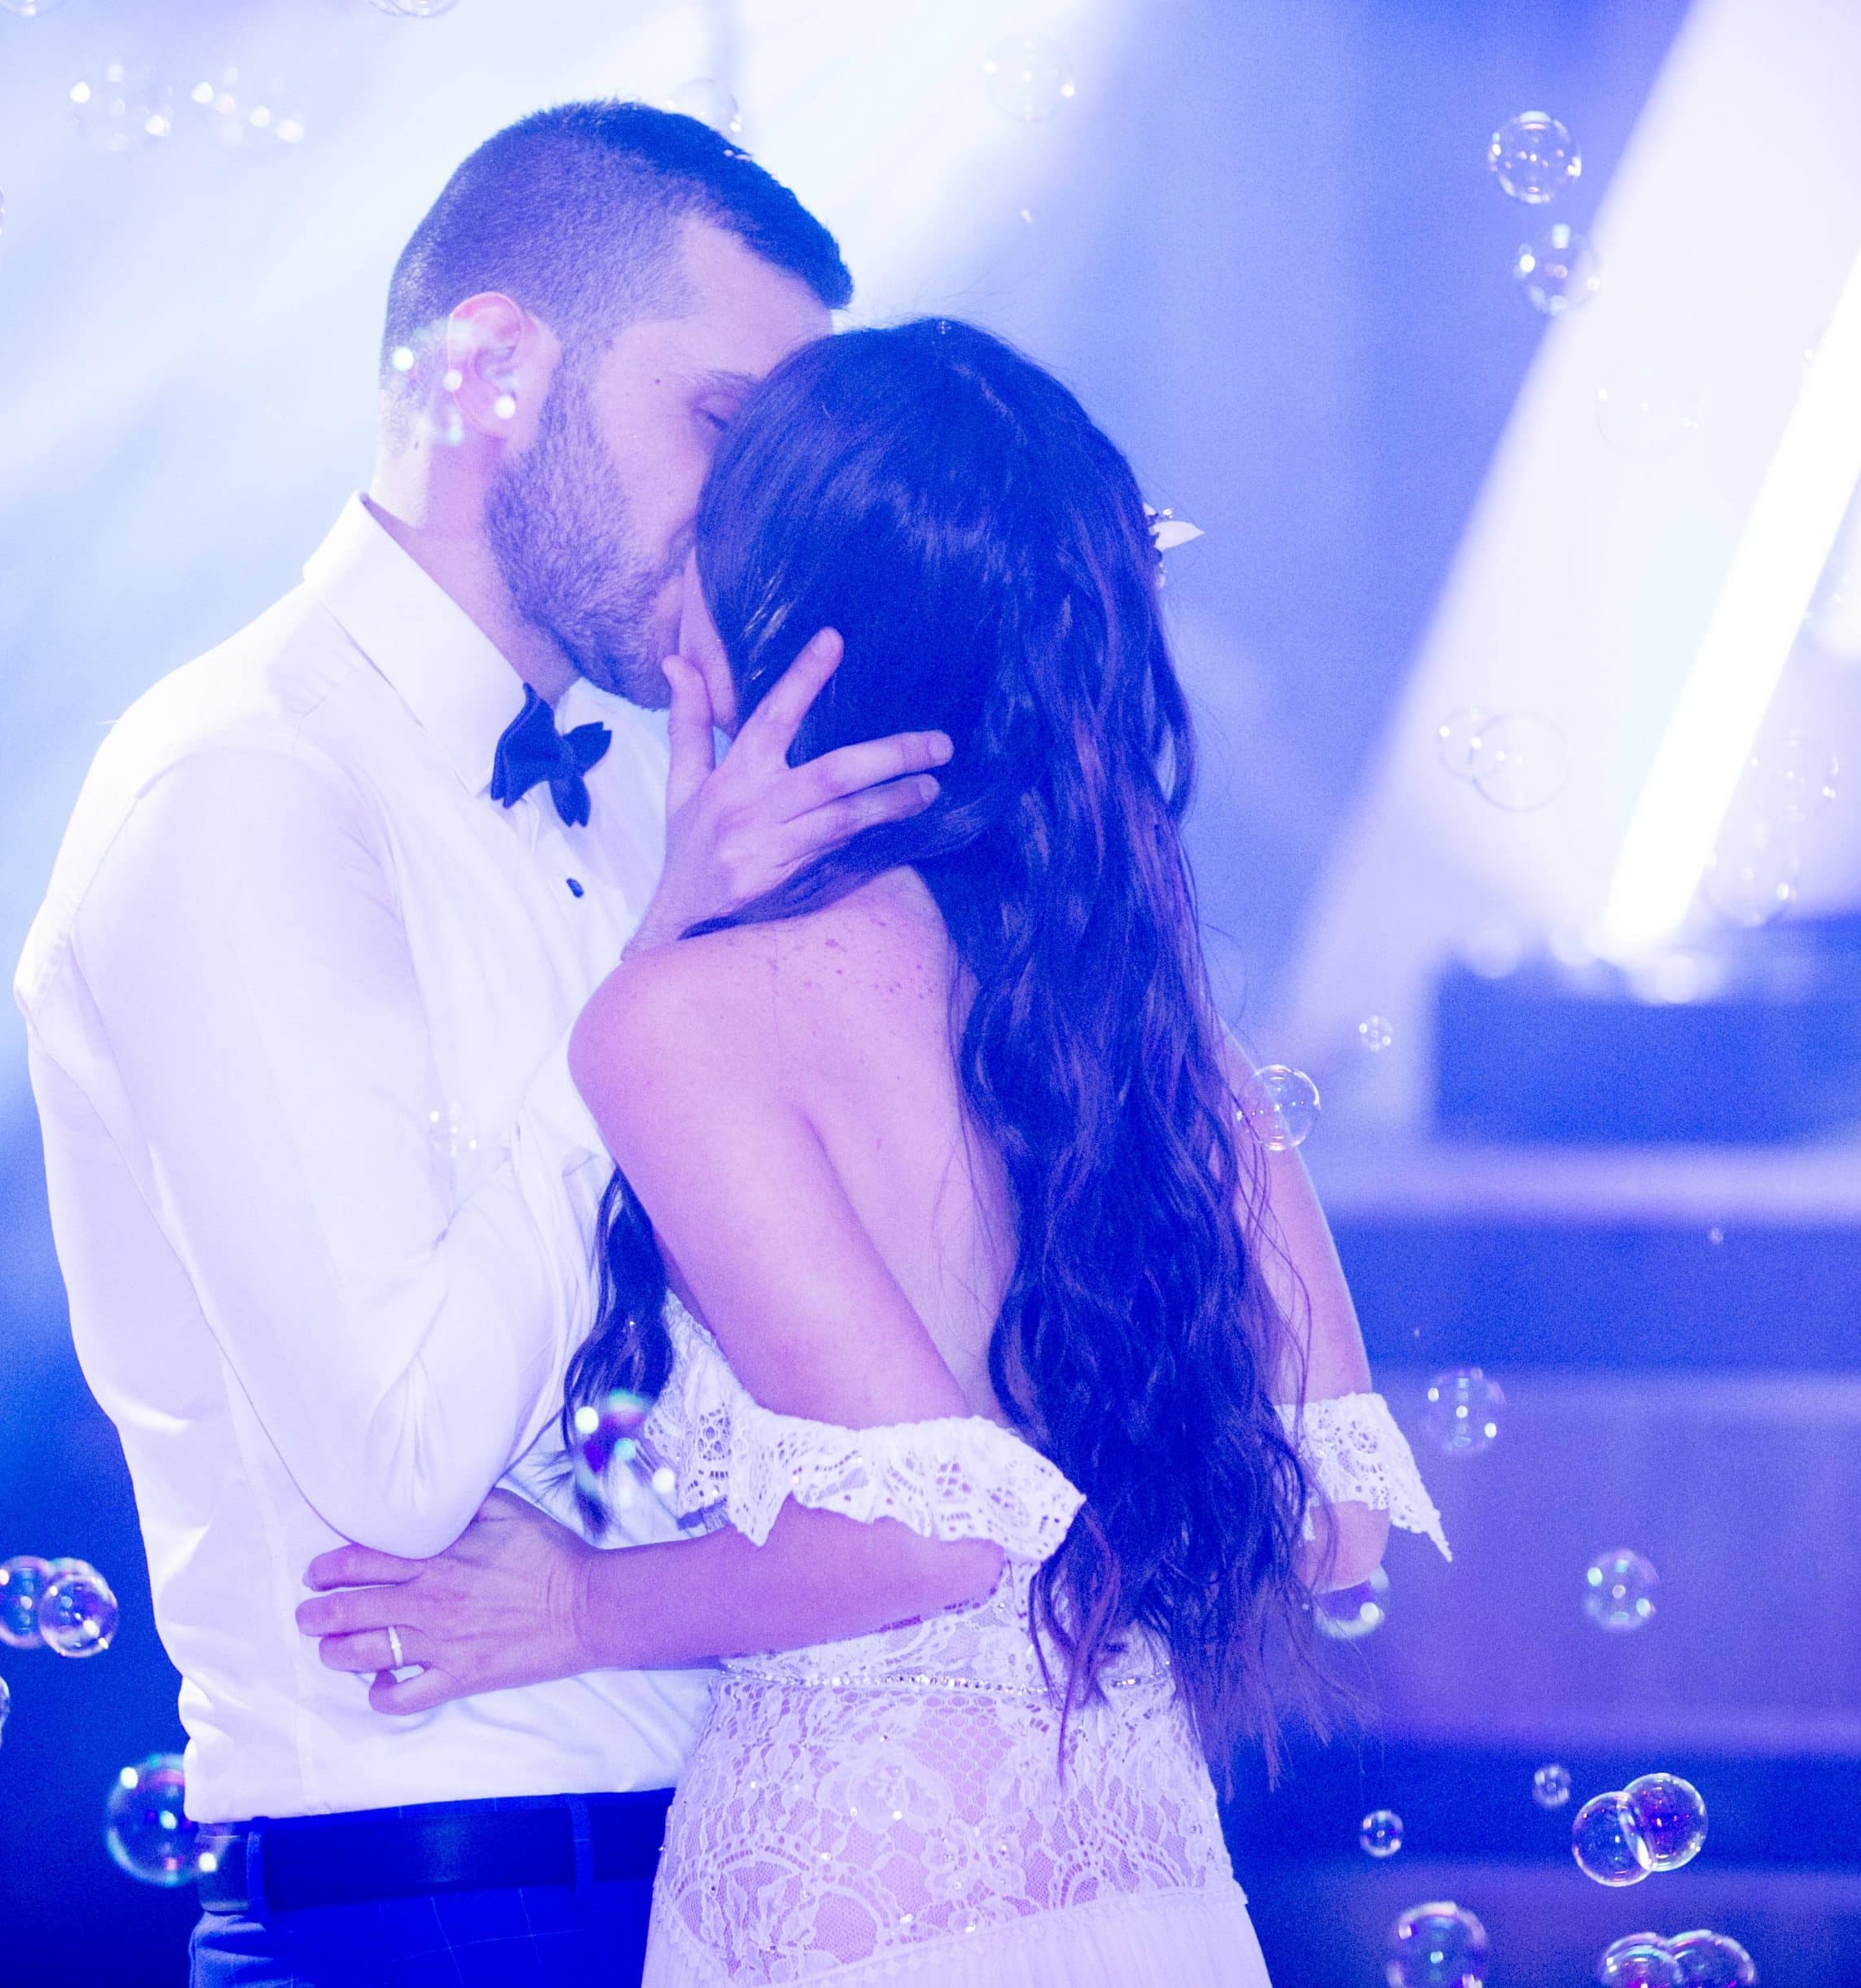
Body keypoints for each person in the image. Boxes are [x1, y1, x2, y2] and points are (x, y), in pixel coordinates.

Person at [296, 320, 1450, 1985]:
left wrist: (574, 1606)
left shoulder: (685, 1015)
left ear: (773, 616)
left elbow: (925, 1538)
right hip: (1160, 1900)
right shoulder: (1144, 1015)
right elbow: (1334, 1523)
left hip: (855, 1904)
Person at [14, 104, 954, 1987]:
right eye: (720, 428)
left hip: (769, 1876)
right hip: (446, 1905)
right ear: (489, 370)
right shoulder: (244, 785)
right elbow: (401, 1453)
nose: (758, 521)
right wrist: (668, 973)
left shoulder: (663, 797)